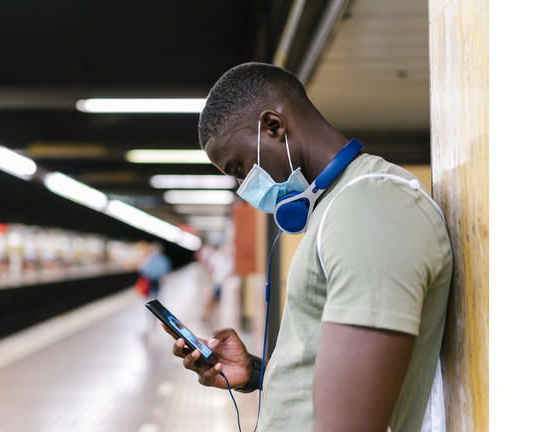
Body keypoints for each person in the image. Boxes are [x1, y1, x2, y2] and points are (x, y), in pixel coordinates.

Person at [162, 63, 452, 432]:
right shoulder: (336, 207)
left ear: (273, 126)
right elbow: (345, 377)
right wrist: (255, 373)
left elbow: (353, 421)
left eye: (239, 168)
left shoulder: (372, 206)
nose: (244, 185)